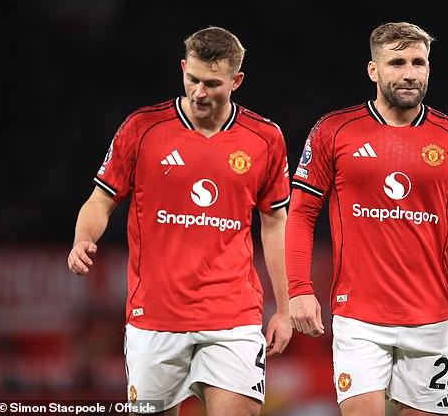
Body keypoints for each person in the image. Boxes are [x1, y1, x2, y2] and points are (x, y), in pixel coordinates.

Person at [67, 27, 292, 416]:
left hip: (232, 317)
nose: (199, 92)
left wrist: (285, 308)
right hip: (154, 318)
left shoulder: (265, 138)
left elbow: (274, 223)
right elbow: (100, 201)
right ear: (183, 67)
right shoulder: (142, 128)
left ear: (236, 81)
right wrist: (82, 239)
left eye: (212, 84)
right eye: (193, 79)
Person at [286, 22, 448, 416]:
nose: (409, 73)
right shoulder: (334, 131)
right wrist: (299, 288)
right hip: (358, 318)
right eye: (397, 62)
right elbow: (301, 213)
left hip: (431, 320)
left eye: (418, 62)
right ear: (373, 70)